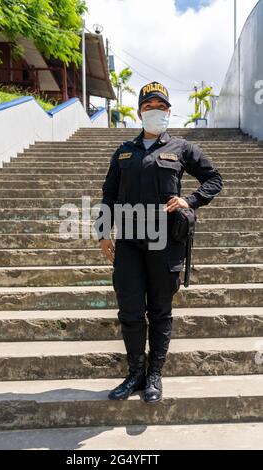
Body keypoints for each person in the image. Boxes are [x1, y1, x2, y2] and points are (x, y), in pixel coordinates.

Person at [94, 81, 223, 404]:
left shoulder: (181, 148)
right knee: (131, 311)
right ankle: (135, 373)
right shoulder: (124, 151)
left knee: (160, 311)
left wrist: (189, 200)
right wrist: (102, 233)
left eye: (161, 107)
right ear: (140, 111)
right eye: (149, 106)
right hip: (128, 243)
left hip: (165, 241)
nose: (155, 112)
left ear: (168, 111)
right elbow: (108, 194)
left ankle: (154, 376)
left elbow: (214, 179)